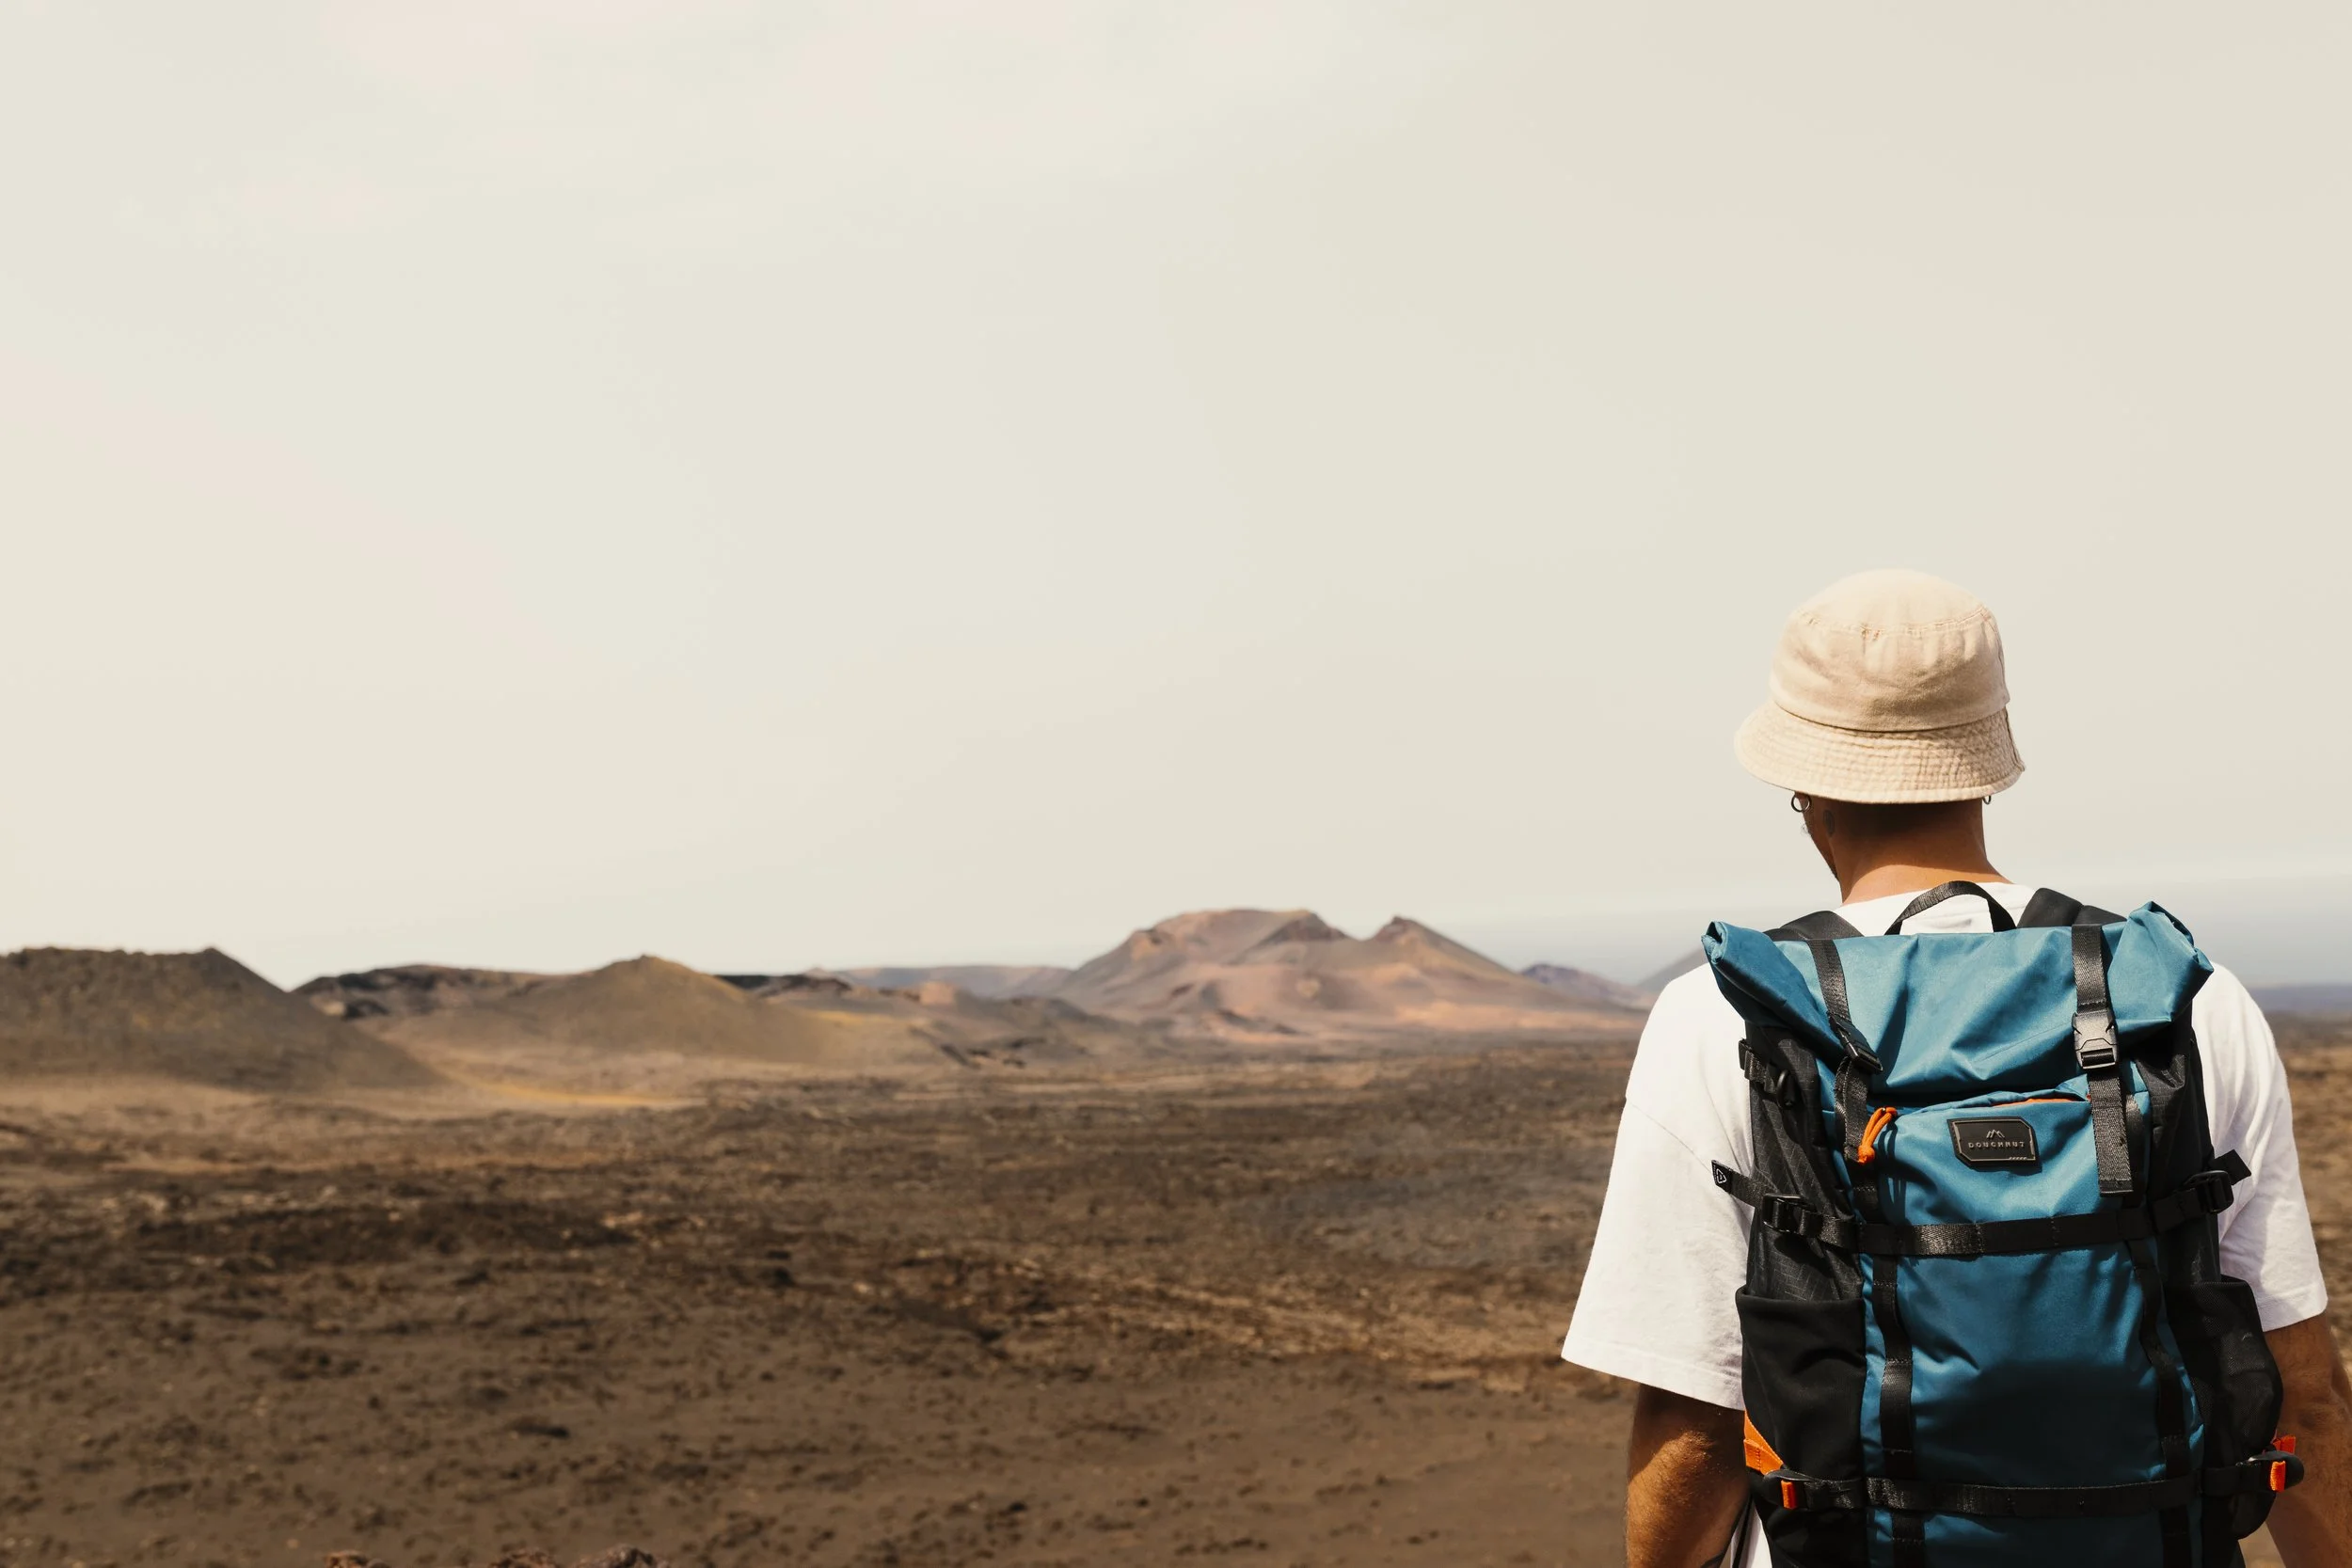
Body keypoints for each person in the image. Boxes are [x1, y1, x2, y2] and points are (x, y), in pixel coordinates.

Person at [1561, 569, 2352, 1566]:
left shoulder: (1721, 1013)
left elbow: (1698, 1418)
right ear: (1984, 765)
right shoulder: (2183, 997)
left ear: (1803, 787)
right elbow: (2302, 1391)